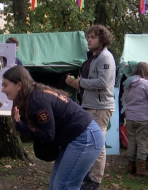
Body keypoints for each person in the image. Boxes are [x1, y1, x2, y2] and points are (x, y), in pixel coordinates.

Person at [1, 65, 104, 190]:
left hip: (86, 137)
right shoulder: (33, 95)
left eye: (5, 85)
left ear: (19, 85)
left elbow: (48, 135)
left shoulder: (38, 100)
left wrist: (22, 126)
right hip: (78, 136)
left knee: (64, 186)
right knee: (56, 185)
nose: (2, 90)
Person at [65, 24, 115, 190]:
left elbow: (103, 82)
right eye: (88, 37)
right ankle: (90, 175)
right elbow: (87, 84)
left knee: (98, 143)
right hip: (89, 105)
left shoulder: (105, 58)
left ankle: (96, 181)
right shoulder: (92, 58)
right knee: (89, 141)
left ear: (102, 39)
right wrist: (75, 83)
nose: (89, 40)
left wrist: (82, 82)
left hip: (100, 107)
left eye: (92, 37)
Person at [122, 62, 148, 176]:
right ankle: (141, 169)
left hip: (131, 117)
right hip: (143, 117)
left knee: (132, 141)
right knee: (142, 142)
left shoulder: (127, 84)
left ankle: (131, 166)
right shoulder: (145, 84)